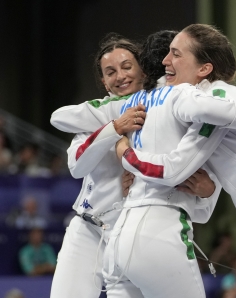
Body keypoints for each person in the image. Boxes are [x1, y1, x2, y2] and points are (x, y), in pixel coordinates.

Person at [52, 24, 236, 298]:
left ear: (203, 68)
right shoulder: (149, 105)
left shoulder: (199, 99)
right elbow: (68, 131)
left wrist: (127, 155)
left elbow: (182, 176)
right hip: (118, 229)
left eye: (176, 54)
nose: (167, 61)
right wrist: (117, 131)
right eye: (166, 54)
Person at [50, 31, 219, 298]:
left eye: (127, 66)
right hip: (88, 230)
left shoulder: (165, 113)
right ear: (104, 82)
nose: (120, 76)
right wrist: (114, 128)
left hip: (132, 231)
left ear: (144, 70)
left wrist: (208, 191)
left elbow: (200, 207)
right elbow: (77, 167)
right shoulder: (95, 117)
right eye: (110, 72)